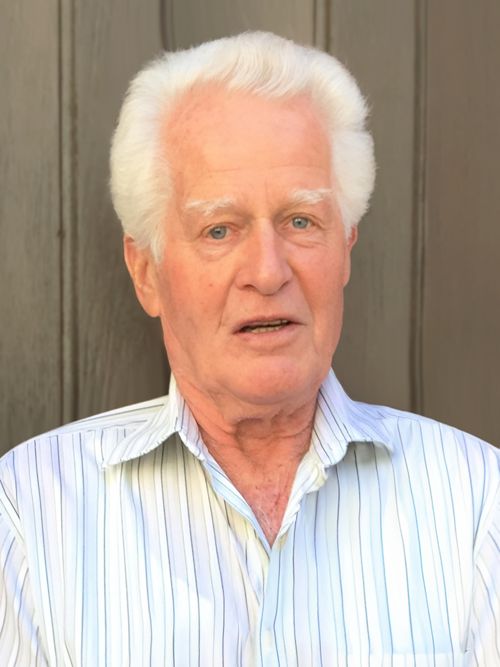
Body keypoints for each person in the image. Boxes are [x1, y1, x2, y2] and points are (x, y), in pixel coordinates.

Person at [0, 31, 498, 666]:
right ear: (146, 271)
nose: (267, 271)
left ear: (346, 248)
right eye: (219, 229)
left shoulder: (477, 502)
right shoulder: (30, 513)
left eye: (301, 221)